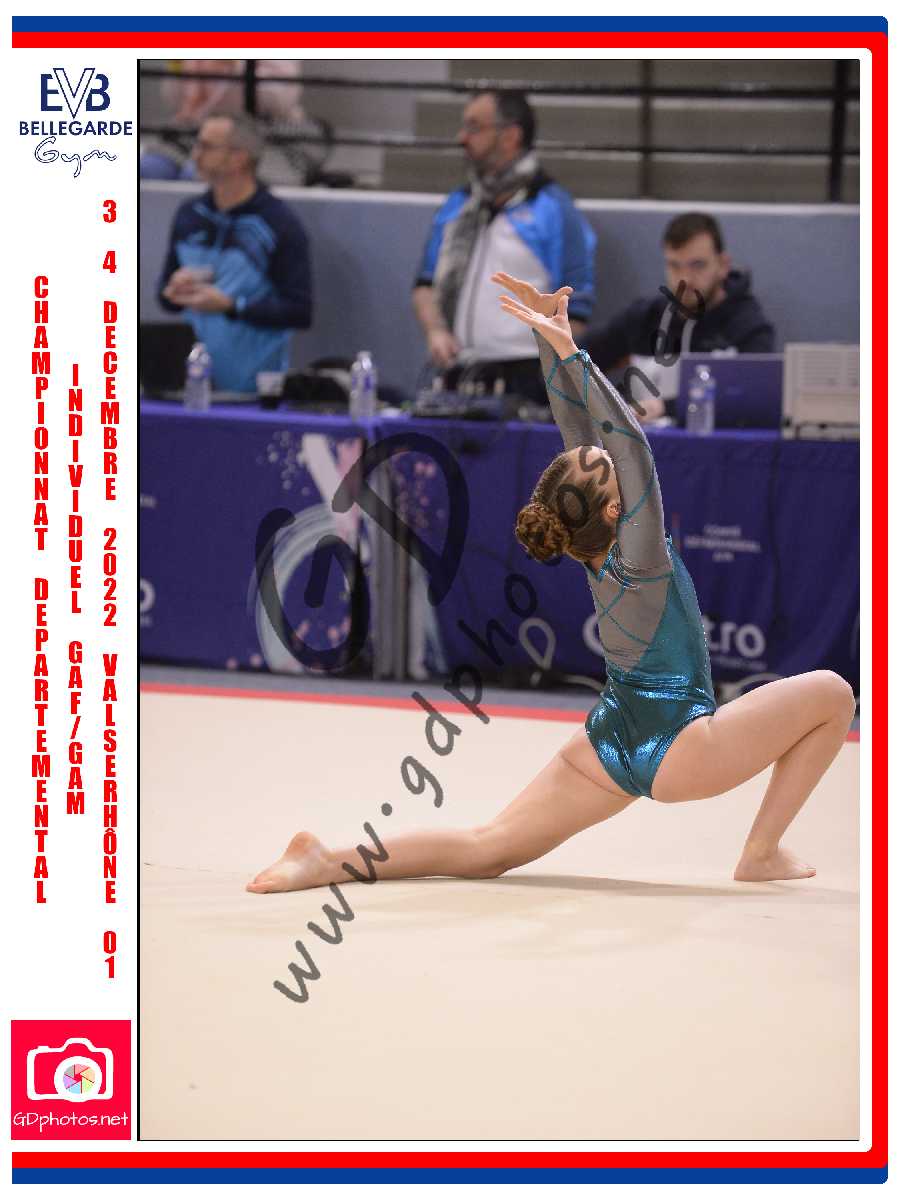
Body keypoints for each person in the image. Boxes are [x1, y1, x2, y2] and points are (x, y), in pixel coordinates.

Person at [246, 272, 854, 895]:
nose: (600, 452)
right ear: (616, 508)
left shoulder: (593, 543)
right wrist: (573, 354)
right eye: (602, 467)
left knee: (488, 848)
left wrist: (549, 337)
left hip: (612, 735)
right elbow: (632, 448)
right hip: (682, 743)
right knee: (834, 695)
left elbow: (578, 432)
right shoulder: (642, 555)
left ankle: (326, 860)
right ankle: (761, 850)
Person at [412, 89, 596, 406]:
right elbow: (425, 283)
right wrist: (435, 331)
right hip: (458, 372)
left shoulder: (553, 208)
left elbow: (577, 304)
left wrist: (551, 374)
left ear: (510, 136)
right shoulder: (459, 205)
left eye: (474, 127)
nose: (461, 138)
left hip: (526, 378)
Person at [157, 112, 313, 393]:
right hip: (192, 384)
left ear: (239, 158)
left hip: (254, 386)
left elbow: (299, 311)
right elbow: (165, 299)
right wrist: (175, 290)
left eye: (206, 146)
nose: (195, 155)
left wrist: (231, 305)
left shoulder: (278, 224)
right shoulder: (189, 214)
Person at [582, 211, 775, 421]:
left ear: (723, 265)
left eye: (698, 265)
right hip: (643, 440)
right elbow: (576, 361)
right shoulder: (643, 318)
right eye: (674, 265)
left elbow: (756, 398)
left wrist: (666, 407)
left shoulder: (748, 326)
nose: (685, 279)